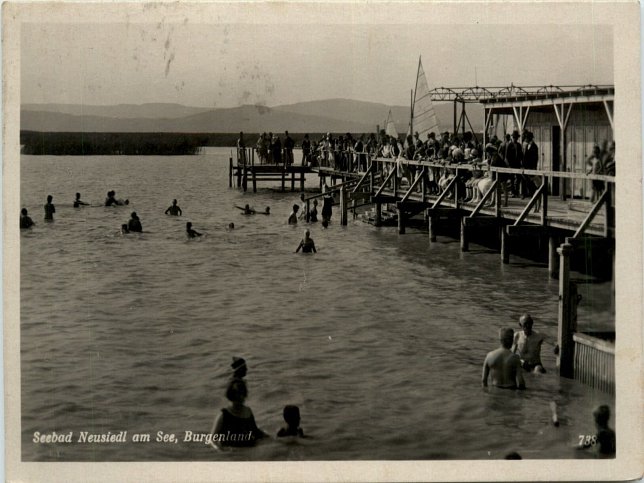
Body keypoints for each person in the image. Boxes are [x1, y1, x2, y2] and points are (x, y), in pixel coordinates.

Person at [209, 379, 266, 450]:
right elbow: (212, 439)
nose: (241, 398)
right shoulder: (224, 415)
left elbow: (255, 431)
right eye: (238, 396)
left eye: (242, 395)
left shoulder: (248, 411)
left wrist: (271, 439)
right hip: (232, 452)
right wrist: (220, 450)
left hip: (249, 449)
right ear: (231, 397)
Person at [521, 131, 539, 198]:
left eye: (527, 138)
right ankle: (528, 193)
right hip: (526, 167)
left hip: (531, 167)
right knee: (526, 180)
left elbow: (535, 158)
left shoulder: (534, 147)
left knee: (531, 181)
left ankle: (533, 194)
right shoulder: (527, 146)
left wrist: (534, 167)